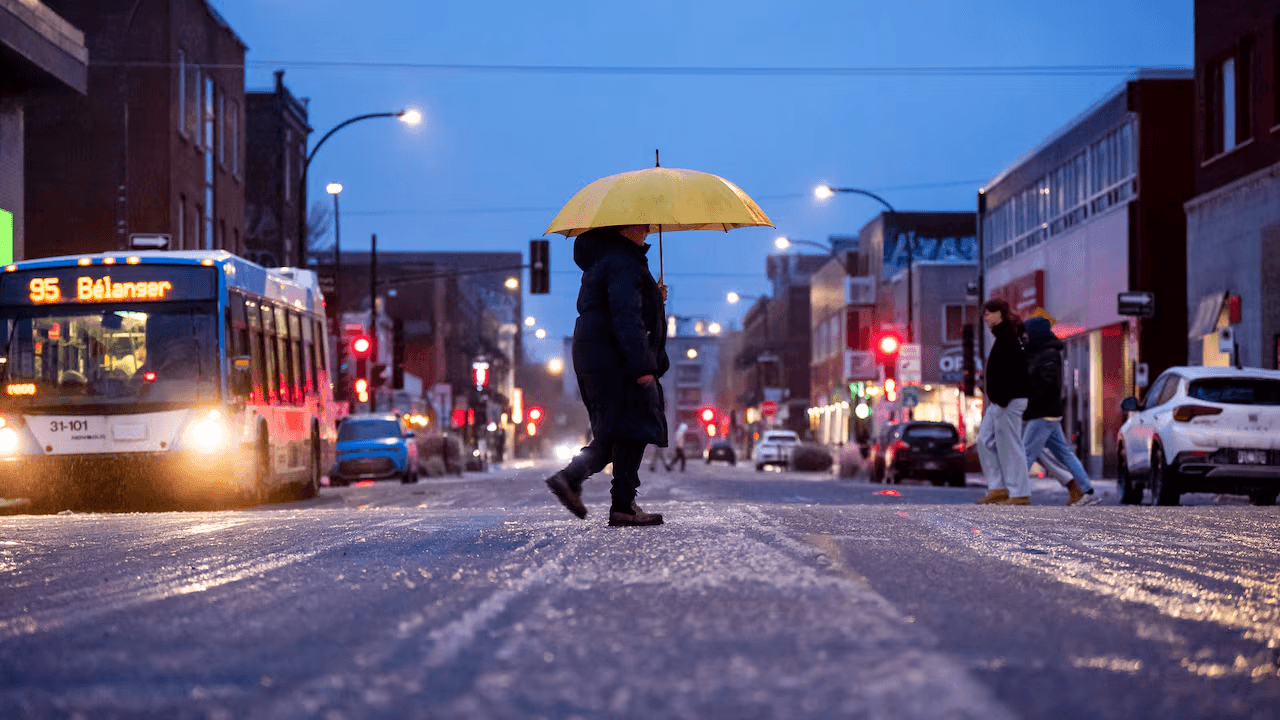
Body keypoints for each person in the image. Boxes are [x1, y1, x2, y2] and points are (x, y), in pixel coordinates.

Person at [545, 224, 669, 527]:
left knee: (621, 430)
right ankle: (574, 478)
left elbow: (623, 306)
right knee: (634, 425)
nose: (650, 227)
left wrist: (653, 295)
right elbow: (625, 316)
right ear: (626, 227)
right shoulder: (623, 262)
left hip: (598, 355)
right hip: (617, 357)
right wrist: (642, 367)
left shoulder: (611, 260)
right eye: (644, 222)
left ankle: (621, 504)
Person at [1021, 316, 1100, 506]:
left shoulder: (1047, 355)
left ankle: (1015, 493)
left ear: (1035, 333)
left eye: (1027, 333)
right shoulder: (1041, 352)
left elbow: (1048, 386)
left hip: (1042, 413)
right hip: (1047, 412)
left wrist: (1029, 404)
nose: (1025, 337)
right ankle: (1086, 491)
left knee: (1025, 455)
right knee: (1065, 454)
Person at [975, 298, 1033, 505]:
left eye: (988, 313)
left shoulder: (1008, 336)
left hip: (1008, 400)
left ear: (999, 313)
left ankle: (1019, 493)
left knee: (1010, 445)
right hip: (1000, 401)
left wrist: (1002, 397)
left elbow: (1013, 370)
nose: (985, 318)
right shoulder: (1004, 336)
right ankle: (998, 488)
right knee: (984, 441)